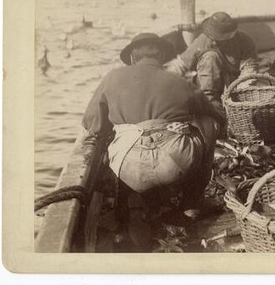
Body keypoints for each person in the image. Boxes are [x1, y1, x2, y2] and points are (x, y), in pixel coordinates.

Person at [82, 33, 226, 249]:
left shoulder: (112, 77)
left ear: (132, 58)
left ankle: (132, 206)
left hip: (128, 166)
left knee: (123, 145)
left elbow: (91, 122)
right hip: (174, 164)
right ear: (162, 58)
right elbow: (216, 116)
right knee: (206, 123)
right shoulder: (180, 82)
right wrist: (189, 124)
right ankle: (190, 204)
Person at [166, 12, 259, 116]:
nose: (213, 40)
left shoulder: (244, 41)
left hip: (235, 87)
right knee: (210, 56)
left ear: (231, 34)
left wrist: (237, 96)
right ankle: (211, 106)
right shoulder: (203, 40)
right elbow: (180, 65)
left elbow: (249, 71)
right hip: (207, 86)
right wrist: (165, 81)